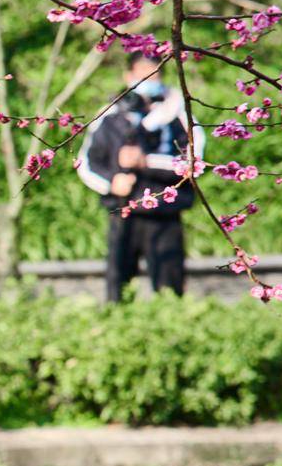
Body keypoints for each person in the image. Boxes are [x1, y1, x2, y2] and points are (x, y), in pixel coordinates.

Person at [78, 54, 203, 303]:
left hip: (164, 213)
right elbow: (87, 162)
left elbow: (194, 162)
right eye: (142, 74)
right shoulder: (109, 115)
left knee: (169, 291)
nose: (148, 79)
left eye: (154, 74)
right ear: (128, 76)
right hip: (122, 211)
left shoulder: (178, 112)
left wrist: (146, 162)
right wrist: (111, 183)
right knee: (119, 288)